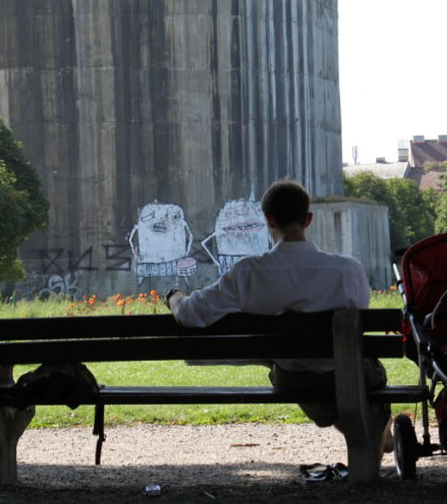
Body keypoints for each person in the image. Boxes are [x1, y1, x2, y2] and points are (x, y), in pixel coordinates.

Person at [165, 179, 391, 447]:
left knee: (312, 382)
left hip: (294, 381)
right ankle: (377, 433)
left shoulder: (247, 273)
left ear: (269, 220)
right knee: (359, 376)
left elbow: (190, 314)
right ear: (308, 219)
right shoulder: (348, 270)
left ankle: (375, 435)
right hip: (349, 376)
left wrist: (175, 299)